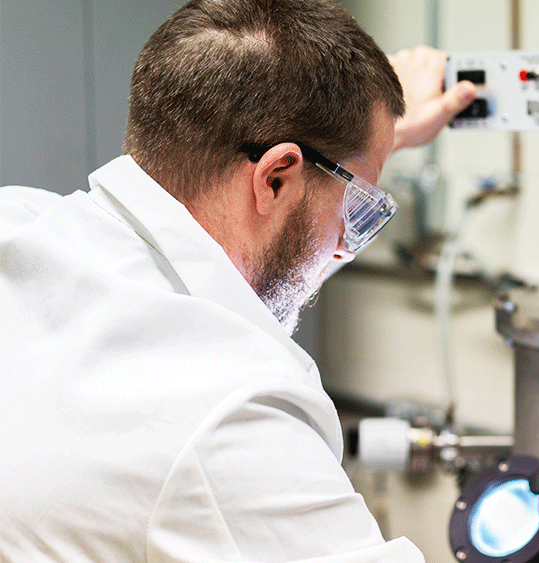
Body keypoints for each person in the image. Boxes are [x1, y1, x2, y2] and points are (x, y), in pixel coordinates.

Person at [0, 0, 474, 561]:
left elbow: (231, 272)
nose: (345, 245)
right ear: (274, 179)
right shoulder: (232, 421)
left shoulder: (20, 224)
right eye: (357, 208)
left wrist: (372, 139)